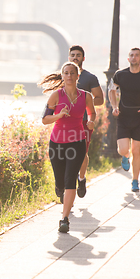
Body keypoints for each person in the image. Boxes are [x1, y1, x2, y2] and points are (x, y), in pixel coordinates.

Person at [40, 62, 96, 233]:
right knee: (60, 182)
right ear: (62, 76)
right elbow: (44, 119)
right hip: (57, 143)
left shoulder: (86, 96)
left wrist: (91, 121)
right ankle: (60, 189)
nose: (70, 76)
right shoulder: (55, 96)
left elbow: (92, 112)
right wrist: (59, 115)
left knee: (70, 178)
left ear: (78, 76)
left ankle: (64, 219)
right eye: (66, 73)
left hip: (77, 141)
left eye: (73, 73)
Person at [109, 47, 140, 192]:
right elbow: (111, 90)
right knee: (123, 149)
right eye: (131, 55)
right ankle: (125, 156)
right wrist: (114, 106)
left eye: (136, 55)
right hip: (123, 116)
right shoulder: (120, 75)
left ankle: (135, 181)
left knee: (137, 151)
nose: (133, 57)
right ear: (128, 58)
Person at [68, 45, 104, 198]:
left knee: (82, 154)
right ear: (69, 57)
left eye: (78, 55)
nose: (75, 57)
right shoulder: (64, 75)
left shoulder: (90, 78)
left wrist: (83, 103)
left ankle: (81, 179)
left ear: (83, 58)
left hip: (84, 121)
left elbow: (100, 99)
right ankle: (67, 184)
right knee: (64, 153)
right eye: (73, 55)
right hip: (66, 123)